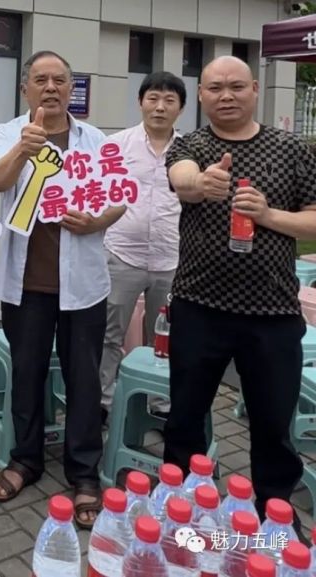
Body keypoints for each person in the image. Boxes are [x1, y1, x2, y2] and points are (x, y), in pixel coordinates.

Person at [163, 55, 316, 535]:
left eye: (235, 86)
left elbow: (313, 219)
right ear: (201, 95)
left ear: (254, 89)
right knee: (185, 417)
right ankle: (181, 506)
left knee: (273, 425)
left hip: (272, 313)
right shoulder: (191, 143)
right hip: (198, 307)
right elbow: (181, 177)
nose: (225, 96)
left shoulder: (290, 149)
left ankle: (276, 516)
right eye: (214, 88)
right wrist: (200, 183)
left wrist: (268, 216)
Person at [0, 50, 125, 529]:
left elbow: (119, 197)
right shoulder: (7, 133)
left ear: (71, 88)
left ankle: (83, 473)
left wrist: (97, 221)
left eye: (60, 80)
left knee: (84, 379)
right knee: (27, 374)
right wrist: (24, 149)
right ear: (25, 88)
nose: (51, 87)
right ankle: (25, 460)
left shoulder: (95, 139)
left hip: (83, 284)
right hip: (24, 283)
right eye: (41, 79)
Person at [99, 71, 186, 421]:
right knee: (109, 333)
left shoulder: (189, 151)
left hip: (171, 259)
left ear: (181, 108)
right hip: (122, 255)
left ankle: (160, 404)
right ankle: (102, 402)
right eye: (153, 98)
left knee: (165, 336)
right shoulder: (116, 146)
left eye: (169, 100)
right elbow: (98, 193)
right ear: (140, 102)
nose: (160, 107)